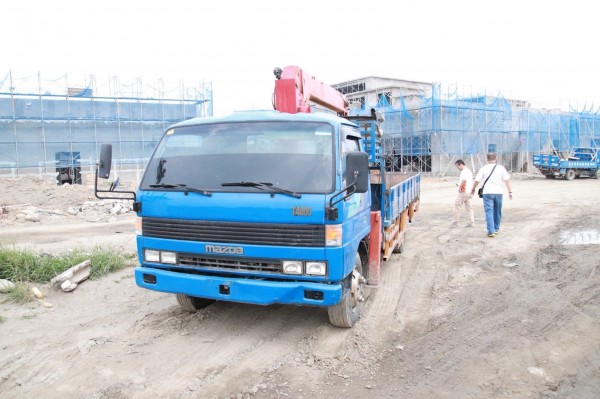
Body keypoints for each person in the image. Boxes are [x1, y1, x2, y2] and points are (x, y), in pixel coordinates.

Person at [471, 153, 513, 237]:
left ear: (487, 159)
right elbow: (507, 180)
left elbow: (477, 180)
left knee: (489, 212)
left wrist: (473, 189)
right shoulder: (501, 168)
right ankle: (496, 229)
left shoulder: (483, 168)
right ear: (496, 158)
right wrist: (510, 192)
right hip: (498, 193)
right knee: (497, 211)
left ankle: (491, 231)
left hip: (487, 193)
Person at [452, 159, 474, 227]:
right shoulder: (469, 171)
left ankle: (455, 221)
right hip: (468, 191)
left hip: (463, 192)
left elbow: (464, 181)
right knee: (469, 208)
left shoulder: (464, 171)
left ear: (461, 165)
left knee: (457, 206)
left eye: (457, 166)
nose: (457, 168)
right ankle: (471, 222)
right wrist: (459, 184)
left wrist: (460, 188)